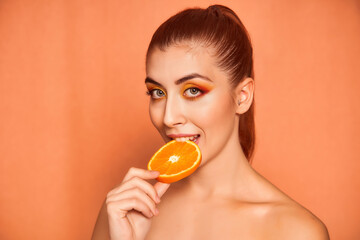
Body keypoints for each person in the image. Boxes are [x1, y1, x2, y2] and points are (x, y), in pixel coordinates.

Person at [92, 4, 329, 239]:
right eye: (157, 93)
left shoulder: (297, 231)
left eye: (193, 90)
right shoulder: (123, 211)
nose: (168, 118)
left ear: (242, 97)